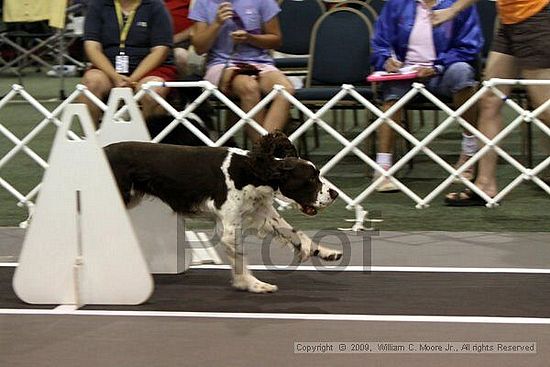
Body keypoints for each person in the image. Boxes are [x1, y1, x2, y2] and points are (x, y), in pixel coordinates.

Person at [436, 0, 550, 205]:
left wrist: (453, 10)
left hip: (536, 18)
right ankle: (484, 185)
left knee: (545, 111)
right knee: (489, 99)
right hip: (510, 19)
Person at [371, 0, 483, 192]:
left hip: (443, 70)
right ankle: (383, 168)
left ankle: (469, 154)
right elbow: (380, 42)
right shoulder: (396, 4)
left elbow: (469, 47)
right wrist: (387, 60)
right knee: (391, 95)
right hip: (406, 73)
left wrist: (436, 66)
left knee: (463, 73)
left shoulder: (459, 5)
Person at [188, 0, 294, 142]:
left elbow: (276, 40)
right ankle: (264, 153)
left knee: (285, 90)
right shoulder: (203, 3)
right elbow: (199, 48)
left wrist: (250, 38)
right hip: (220, 64)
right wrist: (217, 23)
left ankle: (264, 149)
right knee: (249, 87)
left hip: (260, 62)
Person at [79, 0, 177, 127]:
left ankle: (143, 138)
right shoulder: (98, 5)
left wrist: (132, 80)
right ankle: (92, 136)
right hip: (108, 69)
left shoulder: (156, 6)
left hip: (150, 70)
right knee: (91, 83)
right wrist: (115, 77)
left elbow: (160, 50)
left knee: (153, 90)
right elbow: (92, 47)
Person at [164, 0, 194, 77]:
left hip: (182, 41)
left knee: (180, 55)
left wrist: (173, 39)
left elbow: (197, 26)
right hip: (156, 41)